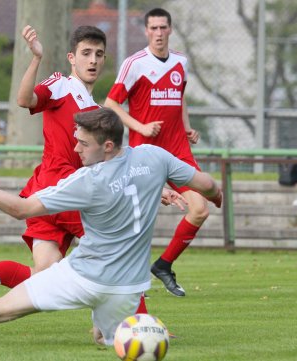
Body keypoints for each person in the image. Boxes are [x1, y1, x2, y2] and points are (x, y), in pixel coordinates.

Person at [0, 108, 222, 347]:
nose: (76, 147)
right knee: (107, 339)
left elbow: (22, 209)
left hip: (82, 278)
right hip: (127, 288)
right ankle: (111, 329)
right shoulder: (154, 157)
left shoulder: (87, 180)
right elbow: (205, 185)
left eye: (84, 142)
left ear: (109, 145)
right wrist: (216, 194)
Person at [0, 25, 112, 299]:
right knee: (114, 247)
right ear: (71, 58)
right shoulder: (61, 85)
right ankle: (135, 323)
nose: (93, 60)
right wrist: (36, 58)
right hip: (59, 186)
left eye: (99, 54)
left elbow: (112, 161)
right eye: (86, 53)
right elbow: (24, 99)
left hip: (58, 192)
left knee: (44, 276)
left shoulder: (99, 112)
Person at [104, 8, 208, 297]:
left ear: (170, 30)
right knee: (137, 220)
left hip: (178, 151)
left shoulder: (181, 63)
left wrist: (187, 127)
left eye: (163, 28)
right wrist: (141, 126)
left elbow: (180, 98)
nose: (159, 33)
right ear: (146, 31)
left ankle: (163, 265)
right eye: (154, 28)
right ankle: (126, 281)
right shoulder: (134, 64)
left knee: (200, 210)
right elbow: (111, 103)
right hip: (145, 153)